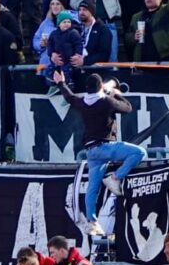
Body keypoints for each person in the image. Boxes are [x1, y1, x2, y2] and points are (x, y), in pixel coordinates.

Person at [52, 70, 143, 235]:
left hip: (91, 151)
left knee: (92, 188)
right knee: (139, 152)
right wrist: (116, 94)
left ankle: (92, 222)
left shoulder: (82, 102)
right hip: (106, 147)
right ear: (101, 86)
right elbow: (128, 108)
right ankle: (115, 178)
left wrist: (61, 83)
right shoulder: (107, 102)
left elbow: (69, 97)